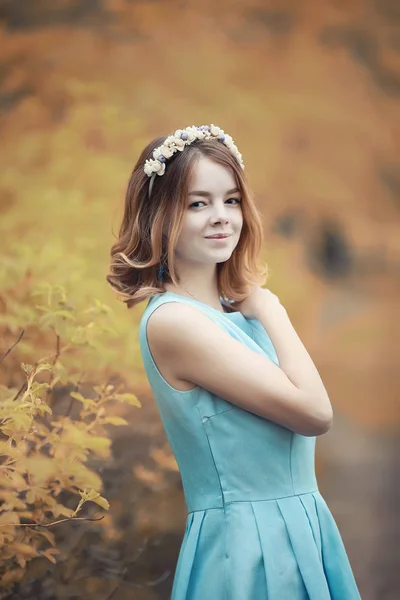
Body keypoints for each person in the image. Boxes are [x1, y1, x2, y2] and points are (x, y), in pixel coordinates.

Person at [106, 124, 362, 599]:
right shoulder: (175, 323)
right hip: (248, 546)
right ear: (161, 215)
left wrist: (255, 308)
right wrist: (272, 309)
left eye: (232, 200)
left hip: (300, 528)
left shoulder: (228, 315)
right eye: (197, 203)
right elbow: (315, 413)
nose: (221, 217)